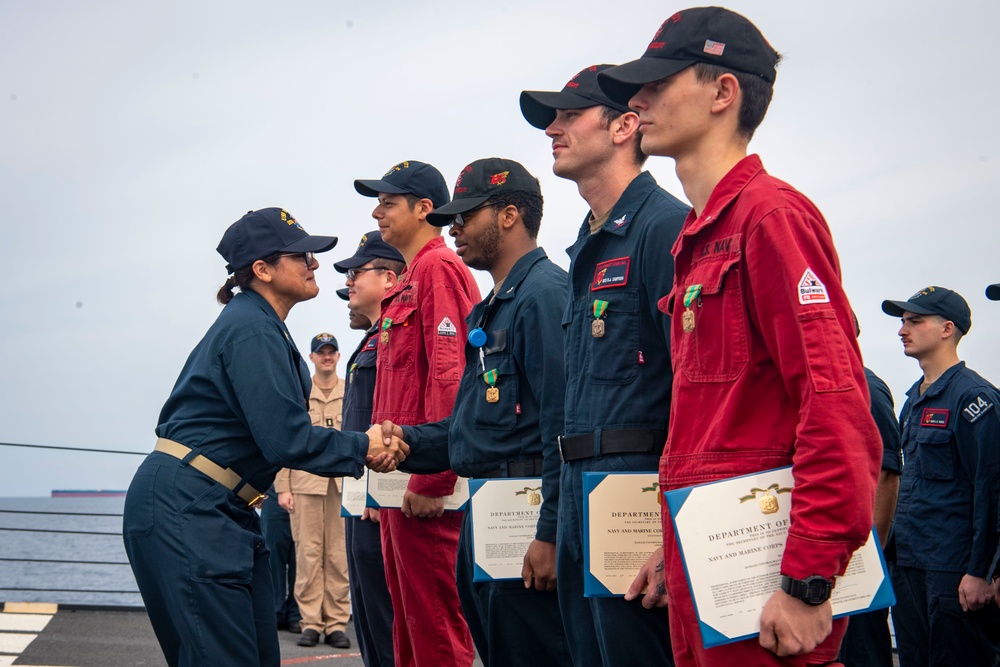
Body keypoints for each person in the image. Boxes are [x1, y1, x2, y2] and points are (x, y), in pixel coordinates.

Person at [598, 7, 881, 664]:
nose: (639, 101)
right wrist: (676, 549)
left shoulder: (771, 217)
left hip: (771, 587)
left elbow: (834, 400)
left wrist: (809, 580)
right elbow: (718, 425)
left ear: (724, 92)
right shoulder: (698, 239)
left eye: (659, 82)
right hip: (715, 570)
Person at [122, 207, 406, 667]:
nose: (315, 264)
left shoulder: (260, 325)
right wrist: (364, 446)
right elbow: (287, 441)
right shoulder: (252, 329)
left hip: (220, 507)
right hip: (191, 508)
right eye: (303, 256)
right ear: (262, 270)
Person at [519, 65, 688, 666]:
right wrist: (554, 521)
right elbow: (568, 409)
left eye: (568, 115)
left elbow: (695, 392)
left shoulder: (664, 228)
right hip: (584, 500)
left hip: (641, 502)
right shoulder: (589, 245)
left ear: (624, 125)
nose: (552, 130)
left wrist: (679, 532)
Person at [382, 158, 572, 665]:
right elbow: (473, 426)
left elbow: (561, 426)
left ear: (509, 215)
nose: (455, 228)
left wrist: (550, 533)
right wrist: (408, 441)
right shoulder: (495, 305)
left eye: (466, 215)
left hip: (526, 520)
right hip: (489, 516)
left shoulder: (544, 296)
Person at [354, 161, 481, 666]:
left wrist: (435, 479)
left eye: (389, 202)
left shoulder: (438, 269)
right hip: (398, 483)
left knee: (435, 629)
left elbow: (451, 381)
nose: (377, 211)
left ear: (424, 208)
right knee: (408, 624)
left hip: (423, 484)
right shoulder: (408, 281)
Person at [881, 286, 1000, 666]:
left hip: (952, 572)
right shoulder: (914, 398)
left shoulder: (973, 399)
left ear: (948, 329)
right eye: (902, 322)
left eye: (915, 321)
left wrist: (980, 571)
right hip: (910, 563)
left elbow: (991, 490)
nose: (903, 330)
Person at [334, 230, 406, 667]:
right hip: (361, 498)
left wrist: (388, 490)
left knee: (388, 621)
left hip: (380, 501)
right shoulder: (375, 337)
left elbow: (403, 416)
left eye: (357, 273)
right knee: (368, 618)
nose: (348, 284)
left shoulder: (395, 336)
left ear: (389, 279)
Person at [274, 333, 352, 649]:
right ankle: (310, 623)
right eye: (322, 352)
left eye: (332, 352)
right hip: (305, 483)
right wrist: (282, 487)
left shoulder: (351, 390)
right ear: (312, 357)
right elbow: (284, 439)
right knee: (307, 555)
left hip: (343, 484)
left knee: (338, 556)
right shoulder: (299, 392)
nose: (327, 357)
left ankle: (336, 624)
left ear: (337, 355)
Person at [838, 318, 903, 667]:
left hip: (856, 563)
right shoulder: (827, 385)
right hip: (829, 557)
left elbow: (887, 475)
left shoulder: (865, 387)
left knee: (861, 652)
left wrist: (868, 558)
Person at [259, 488, 301, 633]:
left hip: (304, 492)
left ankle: (296, 613)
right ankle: (275, 611)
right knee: (272, 559)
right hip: (273, 493)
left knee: (301, 560)